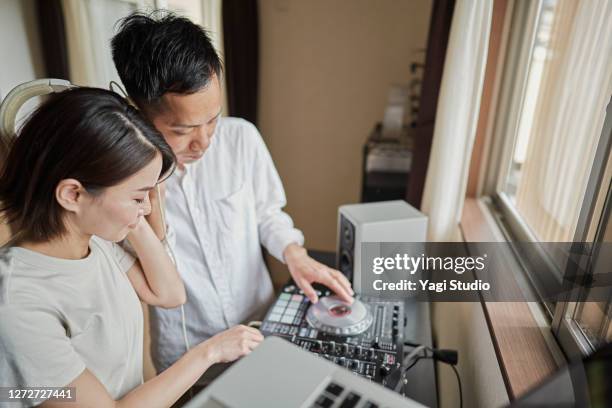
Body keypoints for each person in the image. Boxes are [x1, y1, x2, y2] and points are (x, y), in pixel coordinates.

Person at [110, 12, 355, 377]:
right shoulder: (124, 185)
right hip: (186, 352)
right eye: (184, 129)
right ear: (138, 114)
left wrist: (295, 255)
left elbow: (268, 213)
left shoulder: (241, 138)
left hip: (261, 326)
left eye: (212, 120)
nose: (205, 141)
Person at [0, 88, 263, 407]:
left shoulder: (92, 239)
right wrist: (210, 352)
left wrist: (135, 208)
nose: (148, 208)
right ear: (72, 194)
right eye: (139, 197)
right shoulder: (18, 302)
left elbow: (170, 294)